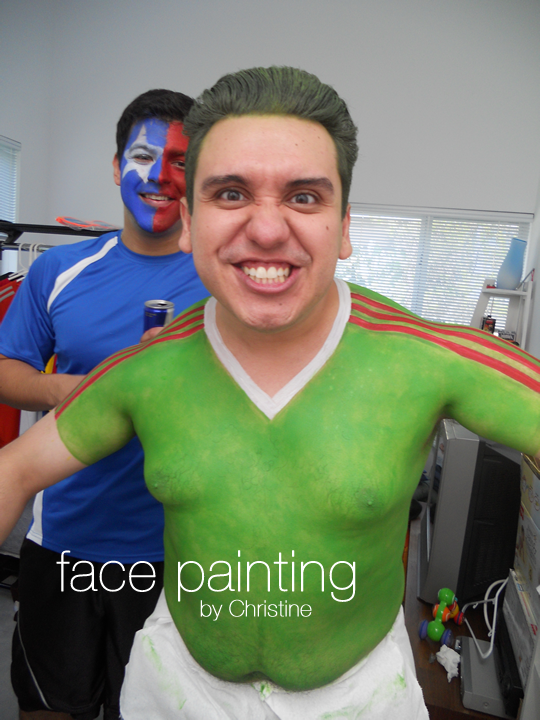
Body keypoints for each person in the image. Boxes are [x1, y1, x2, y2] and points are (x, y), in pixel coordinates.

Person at [1, 66, 540, 720]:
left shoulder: (426, 358)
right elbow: (16, 469)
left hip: (362, 696)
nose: (265, 230)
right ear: (189, 220)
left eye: (304, 197)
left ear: (344, 226)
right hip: (174, 687)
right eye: (230, 193)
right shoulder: (145, 370)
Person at [0, 89, 208, 720]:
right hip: (64, 542)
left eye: (180, 161)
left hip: (175, 554)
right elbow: (7, 370)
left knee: (151, 710)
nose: (160, 175)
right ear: (117, 167)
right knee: (47, 708)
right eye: (144, 156)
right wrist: (61, 390)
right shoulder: (58, 270)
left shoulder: (222, 279)